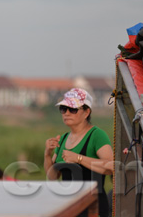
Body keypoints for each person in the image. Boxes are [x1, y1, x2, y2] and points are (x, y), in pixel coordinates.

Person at [44, 88, 113, 217]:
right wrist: (47, 154)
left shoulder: (97, 135)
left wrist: (79, 159)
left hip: (93, 209)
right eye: (63, 109)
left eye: (73, 109)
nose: (67, 113)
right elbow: (52, 176)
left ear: (87, 112)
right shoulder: (63, 138)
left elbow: (111, 166)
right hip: (70, 209)